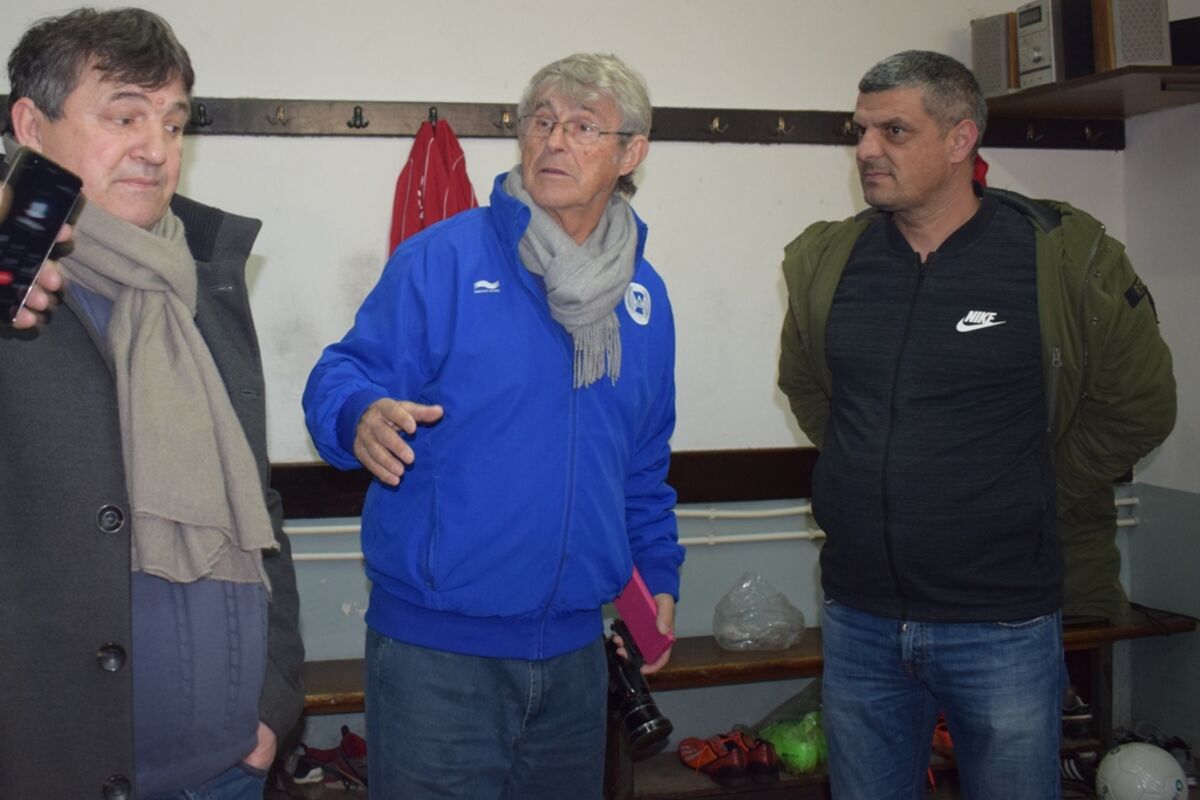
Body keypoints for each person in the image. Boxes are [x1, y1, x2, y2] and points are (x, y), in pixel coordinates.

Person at [777, 50, 1175, 800]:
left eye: (894, 131)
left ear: (961, 139)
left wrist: (1031, 488)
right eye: (860, 130)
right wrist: (876, 474)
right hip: (859, 616)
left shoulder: (1058, 258)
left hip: (1002, 623)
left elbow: (1140, 408)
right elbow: (810, 390)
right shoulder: (830, 262)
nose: (866, 150)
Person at [303, 52, 684, 799]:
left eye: (583, 127)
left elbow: (641, 461)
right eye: (542, 121)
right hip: (437, 658)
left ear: (631, 152)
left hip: (576, 657)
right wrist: (358, 414)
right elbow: (338, 376)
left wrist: (659, 575)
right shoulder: (442, 261)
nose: (555, 140)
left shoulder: (645, 297)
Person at [0, 8, 304, 799]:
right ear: (30, 125)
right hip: (54, 772)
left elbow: (260, 505)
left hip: (231, 766)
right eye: (124, 116)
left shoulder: (202, 280)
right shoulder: (12, 282)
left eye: (172, 123)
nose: (156, 148)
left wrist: (274, 700)